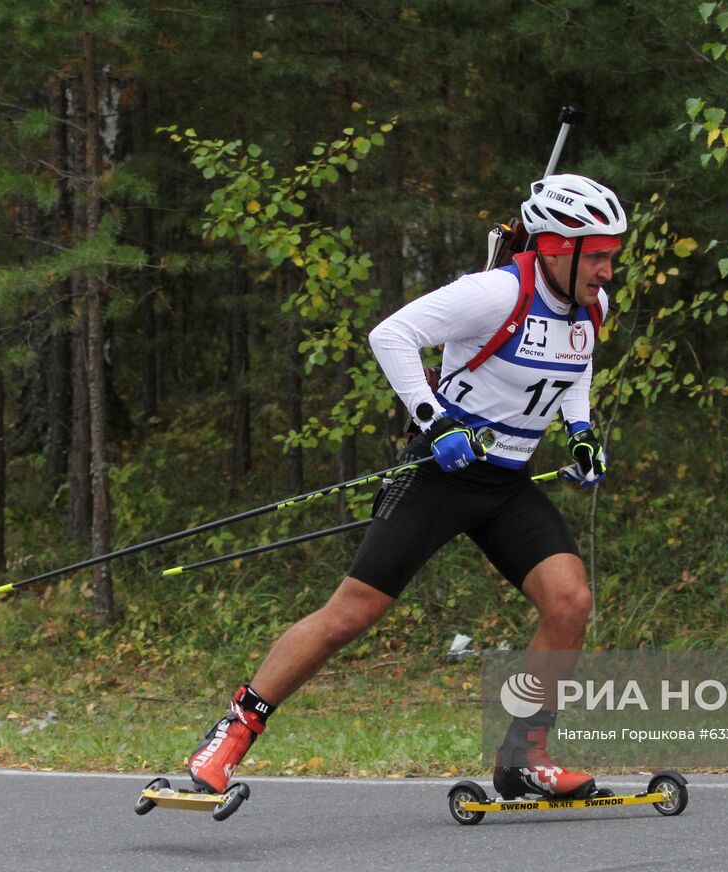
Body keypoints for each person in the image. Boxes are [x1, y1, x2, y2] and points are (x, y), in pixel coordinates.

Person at [186, 173, 626, 800]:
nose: (609, 269)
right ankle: (230, 734)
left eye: (614, 254)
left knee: (570, 602)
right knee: (352, 614)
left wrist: (581, 431)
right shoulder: (492, 294)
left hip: (506, 481)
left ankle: (525, 755)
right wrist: (435, 420)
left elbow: (574, 365)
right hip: (440, 472)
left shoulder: (592, 306)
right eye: (600, 254)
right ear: (557, 246)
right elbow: (390, 335)